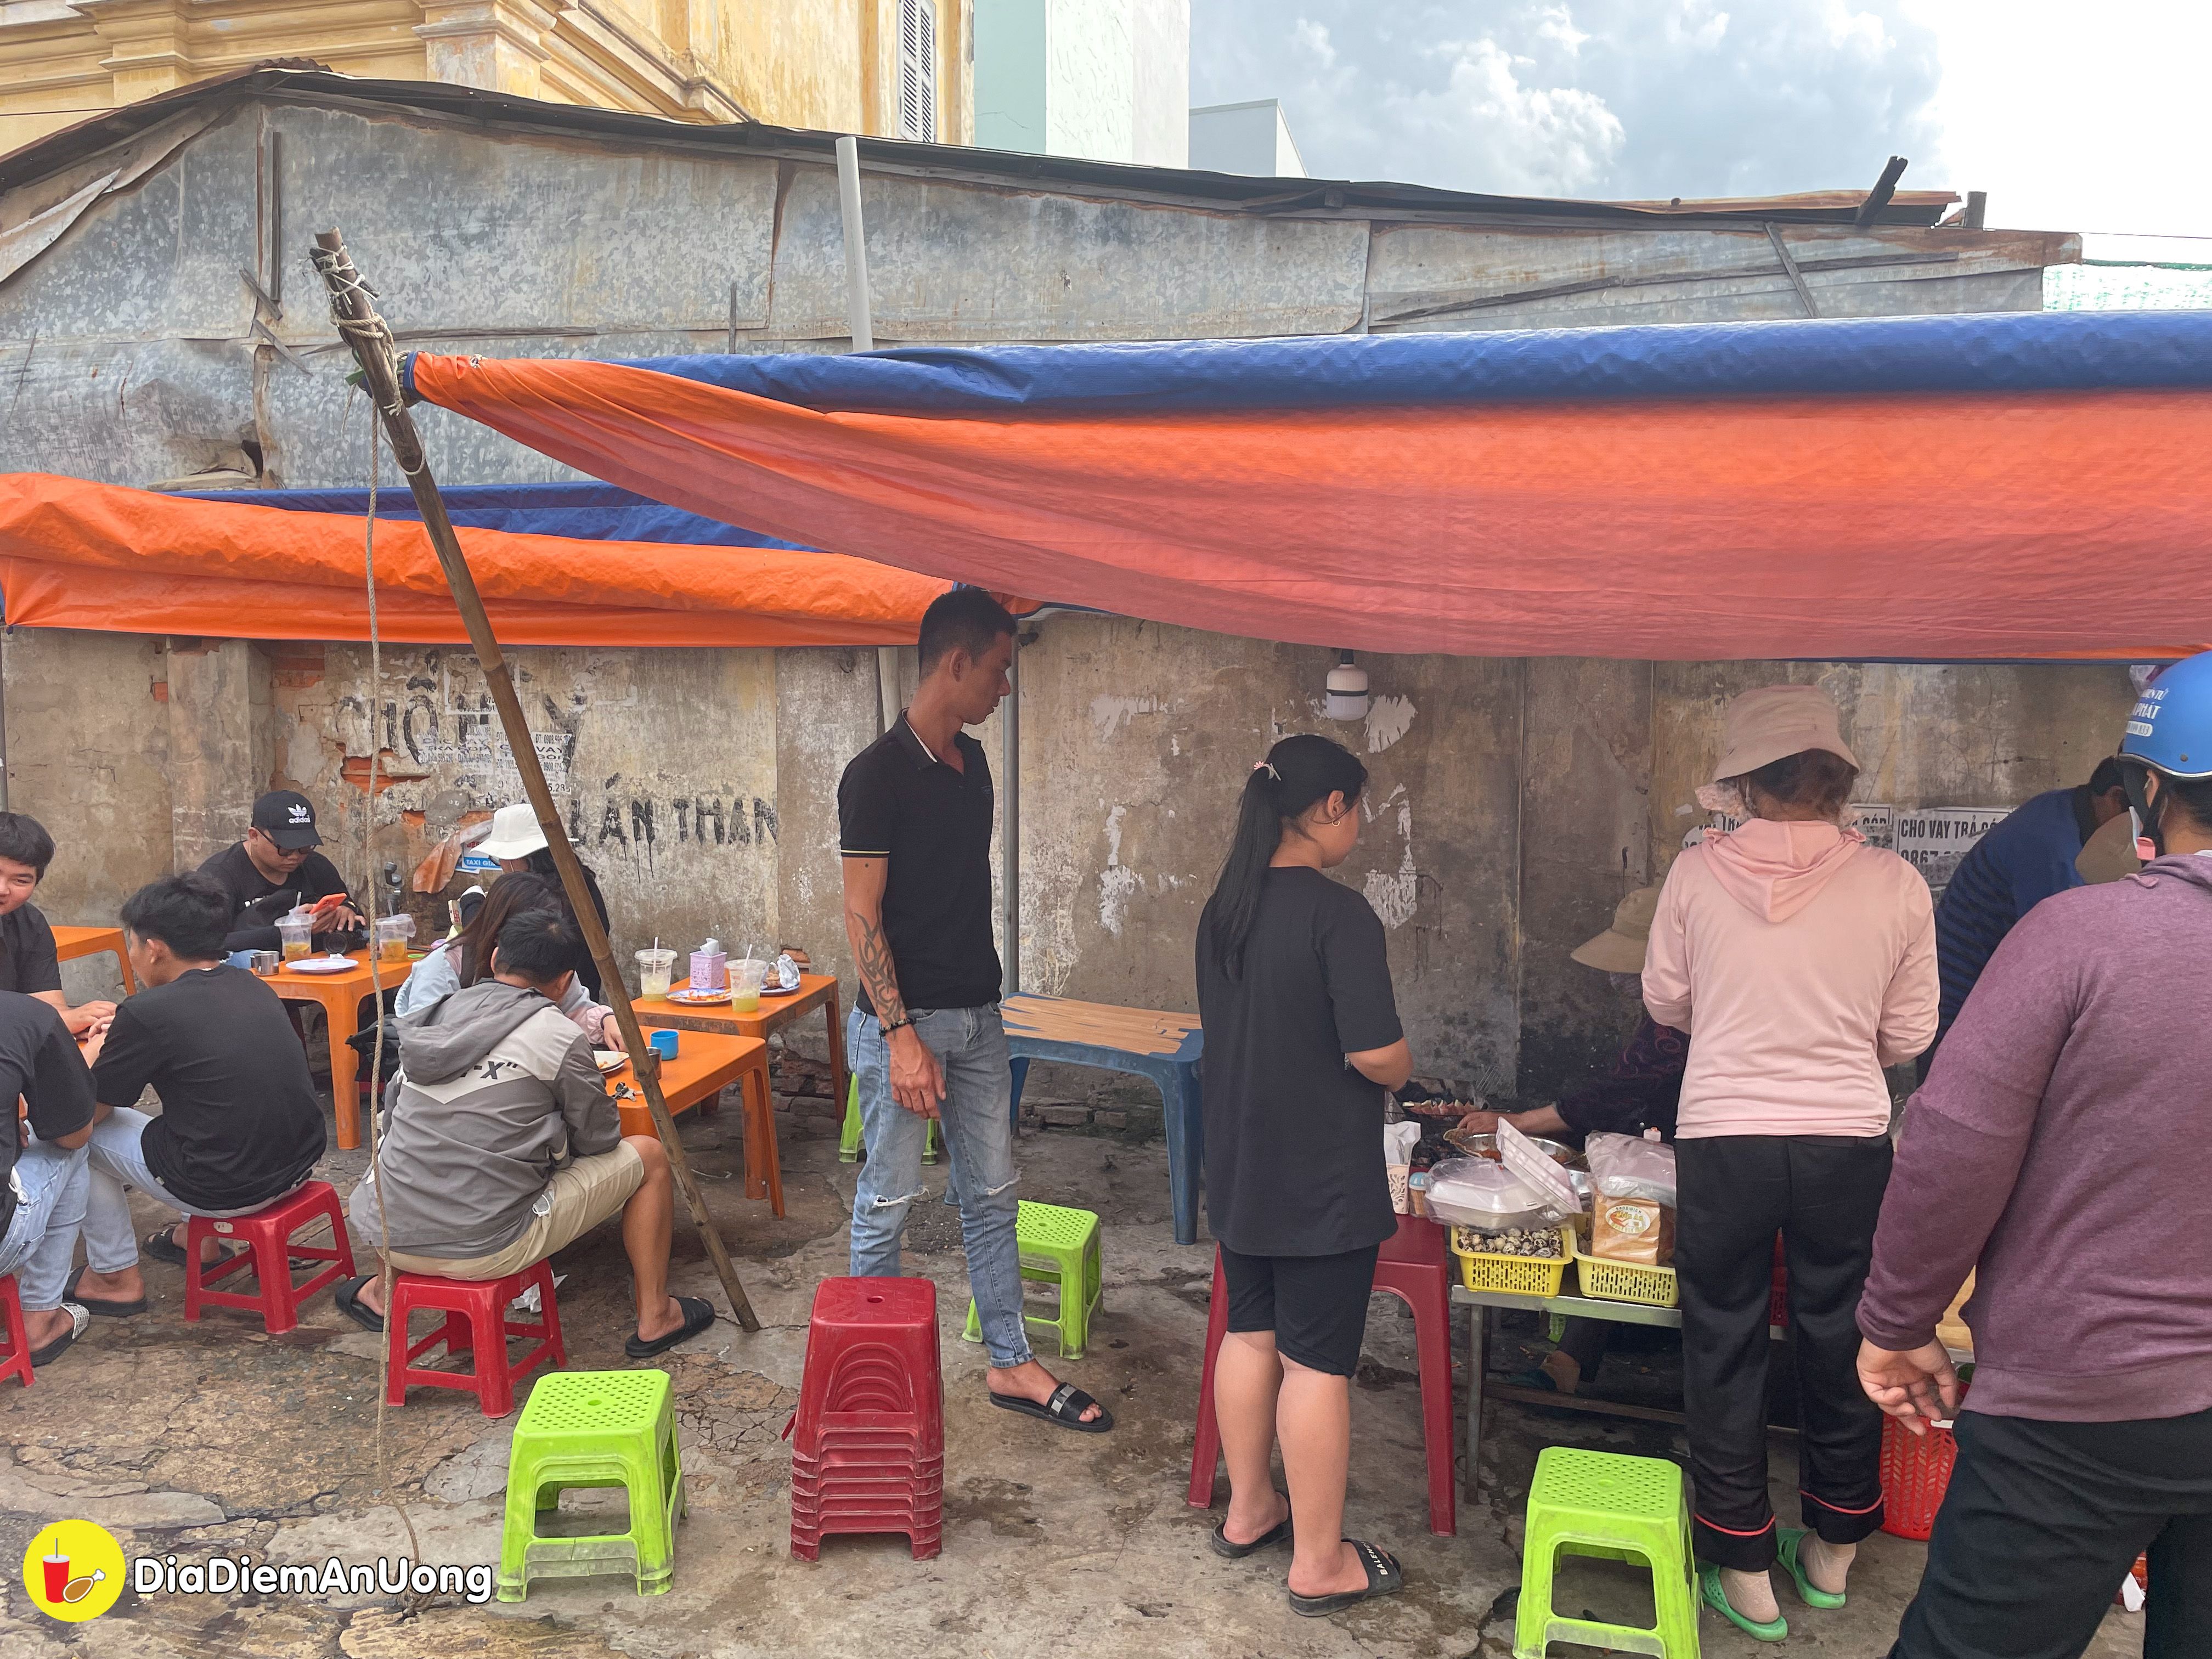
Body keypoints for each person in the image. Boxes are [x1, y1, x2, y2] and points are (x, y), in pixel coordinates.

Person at [1858, 649, 2212, 1659]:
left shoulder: (2080, 934)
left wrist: (1897, 1318)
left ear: (2146, 790)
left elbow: (1952, 1143)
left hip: (2081, 1407)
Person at [1642, 684, 1936, 1640]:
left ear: (1743, 783)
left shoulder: (1693, 874)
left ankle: (1741, 1562)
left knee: (1722, 1335)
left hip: (1724, 1131)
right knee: (1844, 1330)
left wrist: (1739, 1016)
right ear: (1836, 782)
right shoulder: (1893, 882)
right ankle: (1833, 1551)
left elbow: (1665, 1001)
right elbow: (1909, 1031)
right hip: (1846, 1137)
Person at [839, 587, 1109, 1433]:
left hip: (979, 1017)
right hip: (905, 1026)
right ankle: (865, 1374)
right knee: (886, 1200)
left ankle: (1010, 1365)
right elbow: (862, 915)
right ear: (955, 663)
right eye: (998, 670)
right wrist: (901, 1037)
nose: (1006, 687)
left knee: (992, 1196)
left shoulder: (976, 765)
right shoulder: (874, 776)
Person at [1196, 733, 1410, 1616]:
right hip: (1320, 1175)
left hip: (1242, 1164)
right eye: (1358, 807)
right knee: (1318, 1364)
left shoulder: (1224, 909)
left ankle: (1250, 1509)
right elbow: (1377, 1054)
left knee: (1251, 1335)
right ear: (1330, 808)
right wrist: (1402, 1067)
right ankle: (1320, 1563)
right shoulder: (1339, 915)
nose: (1358, 823)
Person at [336, 909, 712, 1358]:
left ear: (495, 958)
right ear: (564, 981)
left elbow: (394, 1115)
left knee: (399, 1143)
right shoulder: (554, 1033)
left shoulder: (432, 1016)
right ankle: (656, 1315)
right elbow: (598, 1139)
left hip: (387, 1233)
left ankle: (381, 1292)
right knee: (648, 1154)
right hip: (487, 1245)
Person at [64, 874, 329, 1316]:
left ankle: (113, 1276)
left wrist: (94, 1050)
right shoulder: (251, 983)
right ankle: (198, 1241)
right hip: (298, 1163)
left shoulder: (148, 1011)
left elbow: (85, 1113)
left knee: (76, 1137)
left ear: (154, 948)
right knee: (203, 1113)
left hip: (228, 1184)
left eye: (132, 945)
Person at [1462, 884, 1686, 1397]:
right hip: (1664, 1140)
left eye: (1632, 965)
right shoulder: (1662, 1007)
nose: (1621, 977)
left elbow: (1622, 1087)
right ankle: (1570, 1359)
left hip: (1707, 1151)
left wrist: (1519, 1121)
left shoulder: (1685, 1013)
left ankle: (1572, 1363)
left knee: (1626, 1238)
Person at [1923, 757, 2129, 1071]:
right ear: (2115, 799)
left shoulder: (2065, 808)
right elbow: (2056, 969)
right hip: (1958, 1019)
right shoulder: (2052, 851)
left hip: (1975, 1005)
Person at [396, 871, 620, 1049]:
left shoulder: (547, 954)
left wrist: (606, 1021)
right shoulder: (444, 967)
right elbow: (420, 1043)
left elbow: (575, 1008)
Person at [0, 991, 98, 1364]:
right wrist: (89, 1057)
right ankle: (40, 1317)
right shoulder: (26, 1016)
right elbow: (74, 1134)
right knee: (70, 1149)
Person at [196, 790, 364, 955]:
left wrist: (345, 911)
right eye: (285, 848)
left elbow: (353, 911)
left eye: (305, 847)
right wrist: (288, 932)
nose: (296, 856)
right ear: (254, 836)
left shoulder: (315, 865)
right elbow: (205, 943)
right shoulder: (217, 876)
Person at [472, 803, 611, 998]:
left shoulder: (538, 893)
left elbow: (500, 941)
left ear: (520, 858)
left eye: (500, 859)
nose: (502, 865)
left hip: (544, 998)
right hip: (582, 994)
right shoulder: (578, 879)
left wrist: (473, 906)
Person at [0, 811, 115, 1035]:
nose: (2, 890)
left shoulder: (29, 923)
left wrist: (79, 1022)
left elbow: (49, 1008)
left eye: (21, 880)